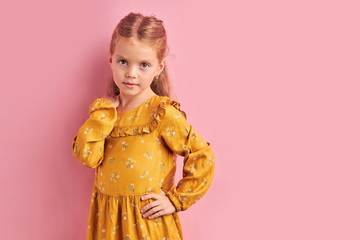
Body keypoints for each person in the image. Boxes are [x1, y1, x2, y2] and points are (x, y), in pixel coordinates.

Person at [71, 12, 215, 240]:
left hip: (148, 226)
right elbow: (87, 156)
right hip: (109, 226)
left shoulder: (162, 113)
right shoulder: (107, 113)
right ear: (111, 58)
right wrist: (102, 115)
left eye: (144, 65)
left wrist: (175, 200)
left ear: (159, 67)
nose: (131, 73)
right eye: (123, 61)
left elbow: (202, 155)